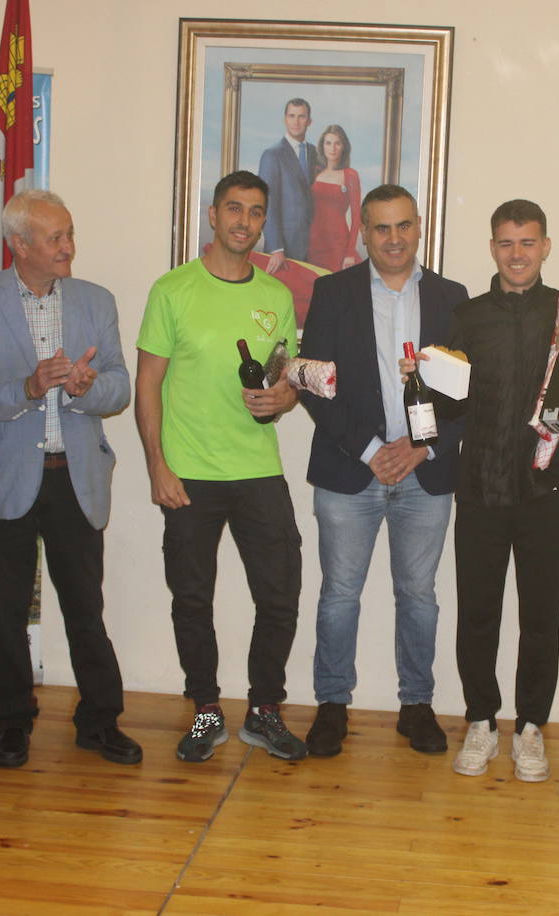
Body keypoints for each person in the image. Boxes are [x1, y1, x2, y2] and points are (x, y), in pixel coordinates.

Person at [0, 190, 140, 769]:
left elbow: (120, 387)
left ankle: (100, 721)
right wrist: (29, 388)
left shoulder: (96, 301)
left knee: (86, 608)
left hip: (74, 480)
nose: (68, 248)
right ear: (19, 246)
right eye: (55, 238)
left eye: (70, 234)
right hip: (3, 481)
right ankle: (11, 724)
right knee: (5, 613)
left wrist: (86, 387)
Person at [135, 171, 306, 762]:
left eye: (255, 212)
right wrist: (157, 465)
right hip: (190, 474)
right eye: (234, 209)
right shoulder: (172, 290)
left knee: (281, 594)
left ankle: (264, 711)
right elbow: (148, 385)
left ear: (263, 222)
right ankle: (206, 711)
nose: (243, 222)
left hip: (257, 470)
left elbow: (287, 376)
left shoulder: (276, 297)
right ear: (213, 215)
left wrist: (285, 397)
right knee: (192, 601)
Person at [444, 200, 559, 781]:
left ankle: (532, 728)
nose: (516, 254)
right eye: (505, 243)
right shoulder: (467, 316)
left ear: (545, 247)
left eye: (527, 243)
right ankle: (481, 722)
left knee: (540, 618)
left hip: (545, 493)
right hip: (480, 492)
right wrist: (425, 380)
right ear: (492, 248)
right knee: (478, 616)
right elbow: (448, 404)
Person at [297, 184, 468, 758]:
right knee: (340, 594)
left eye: (403, 226)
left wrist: (422, 448)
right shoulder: (332, 292)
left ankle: (416, 706)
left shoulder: (452, 297)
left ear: (418, 227)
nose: (393, 239)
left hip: (426, 474)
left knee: (419, 595)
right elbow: (315, 385)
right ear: (363, 233)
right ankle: (331, 706)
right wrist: (372, 449)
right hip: (350, 470)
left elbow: (466, 395)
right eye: (381, 228)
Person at [258, 98, 319, 275]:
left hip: (313, 246)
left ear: (309, 121)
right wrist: (276, 248)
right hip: (283, 249)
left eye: (301, 116)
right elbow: (267, 202)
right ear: (285, 119)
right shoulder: (272, 155)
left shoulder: (316, 153)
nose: (296, 121)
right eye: (292, 116)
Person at [306, 125, 362, 271]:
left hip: (338, 246)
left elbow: (356, 218)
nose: (333, 148)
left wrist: (350, 253)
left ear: (344, 147)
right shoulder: (315, 172)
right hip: (313, 244)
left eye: (338, 143)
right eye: (328, 143)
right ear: (322, 146)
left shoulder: (350, 175)